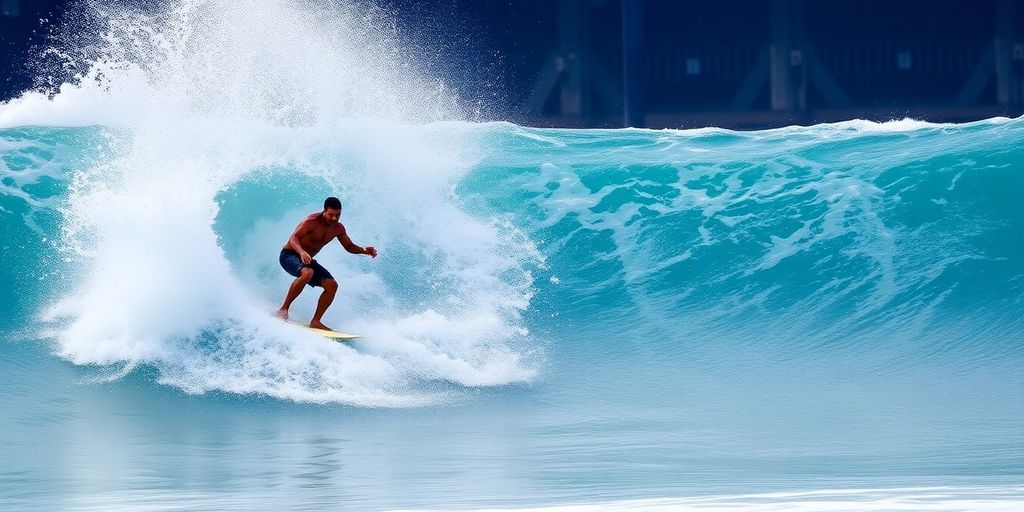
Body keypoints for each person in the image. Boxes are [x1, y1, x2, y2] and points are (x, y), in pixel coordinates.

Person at [276, 196, 377, 331]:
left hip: (307, 260)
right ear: (324, 211)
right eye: (331, 215)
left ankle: (316, 321)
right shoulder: (311, 221)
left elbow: (349, 246)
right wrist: (301, 252)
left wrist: (363, 250)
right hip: (289, 255)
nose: (334, 219)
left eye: (338, 215)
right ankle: (283, 310)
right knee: (308, 272)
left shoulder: (338, 228)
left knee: (332, 285)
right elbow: (293, 238)